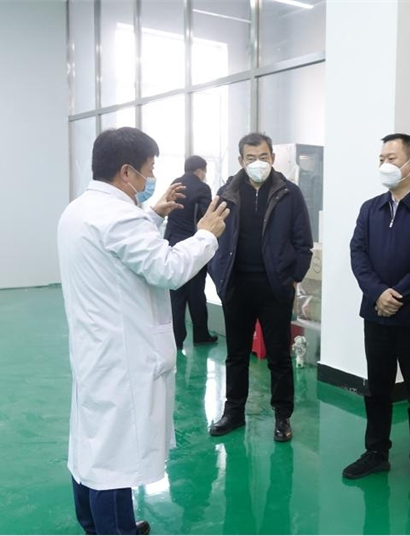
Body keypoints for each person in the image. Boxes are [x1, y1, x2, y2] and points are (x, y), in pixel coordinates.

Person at [57, 127, 230, 535]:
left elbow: (122, 251)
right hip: (123, 357)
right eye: (149, 169)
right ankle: (113, 530)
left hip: (96, 349)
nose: (151, 177)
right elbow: (167, 268)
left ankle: (99, 524)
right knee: (114, 458)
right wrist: (206, 235)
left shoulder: (80, 210)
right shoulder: (118, 218)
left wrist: (152, 214)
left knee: (93, 446)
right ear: (126, 171)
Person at [344, 133, 410, 495]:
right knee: (377, 388)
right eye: (381, 159)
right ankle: (376, 452)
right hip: (376, 316)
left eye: (391, 158)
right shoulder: (370, 209)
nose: (384, 165)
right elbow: (358, 254)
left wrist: (396, 295)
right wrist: (378, 293)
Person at [208, 132, 313, 442]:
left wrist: (293, 277)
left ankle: (282, 416)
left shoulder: (289, 193)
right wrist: (219, 275)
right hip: (236, 287)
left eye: (263, 157)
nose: (258, 163)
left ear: (273, 158)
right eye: (251, 158)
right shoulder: (226, 193)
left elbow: (303, 242)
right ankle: (233, 412)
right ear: (241, 160)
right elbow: (211, 236)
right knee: (236, 355)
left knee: (279, 356)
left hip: (274, 289)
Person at [165, 155, 219, 348]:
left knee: (176, 294)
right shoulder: (202, 188)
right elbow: (206, 217)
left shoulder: (175, 184)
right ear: (200, 171)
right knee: (196, 293)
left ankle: (177, 338)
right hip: (192, 245)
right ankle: (201, 334)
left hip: (172, 244)